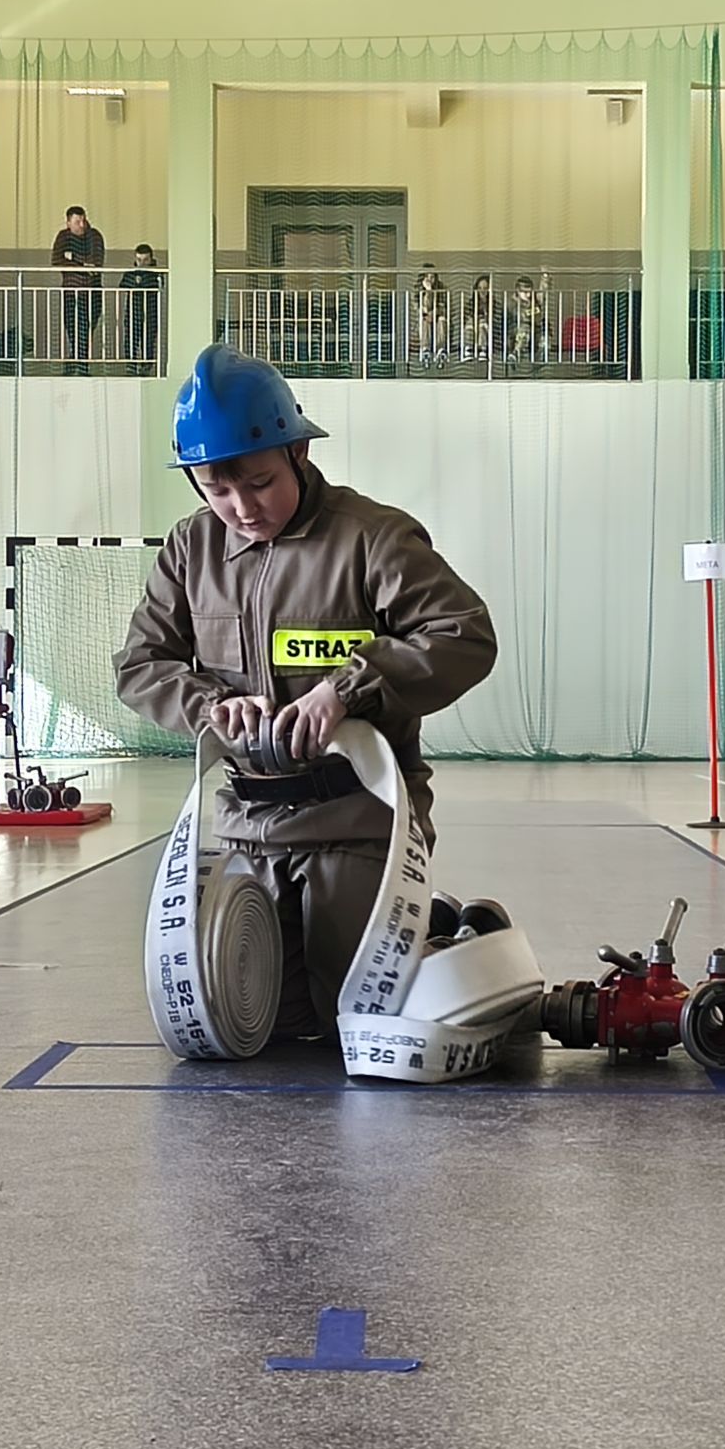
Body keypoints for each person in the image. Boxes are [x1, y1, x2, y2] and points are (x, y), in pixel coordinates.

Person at [115, 345, 497, 1040]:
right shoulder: (191, 550)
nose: (241, 508)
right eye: (215, 489)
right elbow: (141, 664)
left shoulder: (372, 538)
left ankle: (447, 938)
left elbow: (464, 636)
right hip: (239, 828)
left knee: (352, 1023)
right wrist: (209, 706)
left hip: (354, 822)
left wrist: (350, 690)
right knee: (242, 1022)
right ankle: (427, 932)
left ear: (297, 454)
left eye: (258, 483)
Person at [52, 206, 105, 374]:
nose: (81, 224)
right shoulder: (63, 237)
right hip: (70, 290)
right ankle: (77, 360)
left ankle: (80, 361)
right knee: (71, 325)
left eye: (83, 220)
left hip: (91, 290)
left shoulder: (94, 236)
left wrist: (73, 259)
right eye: (77, 222)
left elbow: (95, 263)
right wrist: (82, 265)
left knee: (86, 326)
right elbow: (56, 260)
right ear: (68, 223)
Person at [118, 244, 163, 375]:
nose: (142, 263)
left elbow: (158, 285)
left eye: (145, 260)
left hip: (150, 312)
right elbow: (123, 285)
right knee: (131, 337)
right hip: (133, 311)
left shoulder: (157, 272)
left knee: (149, 339)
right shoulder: (131, 271)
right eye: (139, 260)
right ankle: (131, 365)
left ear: (151, 259)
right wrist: (137, 282)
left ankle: (146, 366)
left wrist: (140, 283)